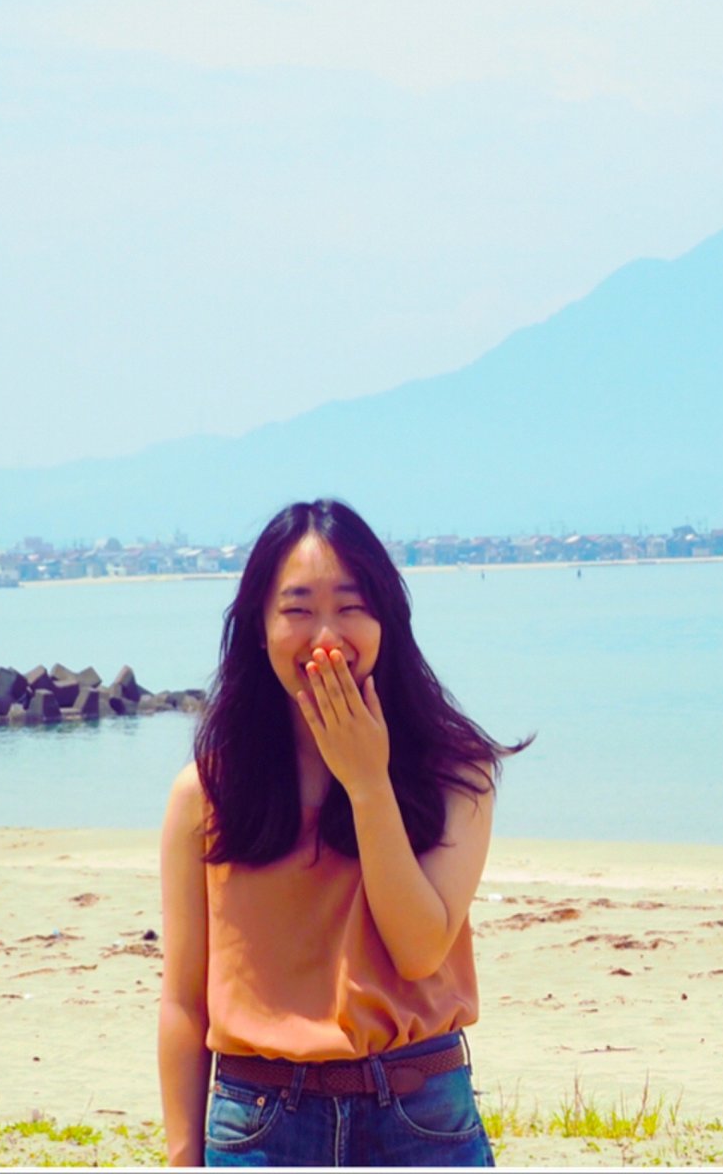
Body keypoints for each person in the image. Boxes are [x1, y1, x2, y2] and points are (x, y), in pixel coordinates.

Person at [158, 499, 526, 1166]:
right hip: (259, 1124)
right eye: (297, 609)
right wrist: (183, 1156)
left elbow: (418, 950)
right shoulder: (204, 793)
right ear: (259, 627)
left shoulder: (459, 776)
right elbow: (184, 1003)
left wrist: (367, 782)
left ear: (387, 618)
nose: (326, 635)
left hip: (420, 1115)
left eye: (352, 606)